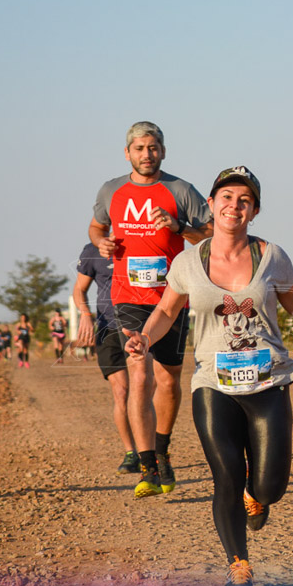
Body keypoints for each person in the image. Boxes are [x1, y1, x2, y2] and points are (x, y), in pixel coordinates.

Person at [124, 166, 293, 586]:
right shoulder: (186, 262)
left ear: (253, 211)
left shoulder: (272, 255)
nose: (234, 205)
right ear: (213, 205)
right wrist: (145, 338)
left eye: (244, 200)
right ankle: (239, 565)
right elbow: (165, 311)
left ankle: (258, 497)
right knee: (226, 476)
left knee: (270, 484)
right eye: (227, 197)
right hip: (212, 383)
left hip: (268, 381)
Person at [88, 121, 213, 498]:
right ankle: (147, 468)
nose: (147, 154)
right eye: (140, 148)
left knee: (168, 380)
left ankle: (162, 450)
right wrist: (102, 243)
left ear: (163, 150)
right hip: (127, 297)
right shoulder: (111, 190)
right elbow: (95, 228)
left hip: (172, 297)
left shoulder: (180, 190)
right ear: (127, 153)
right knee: (139, 377)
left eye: (154, 147)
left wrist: (180, 228)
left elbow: (210, 232)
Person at [73, 242, 140, 474]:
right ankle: (131, 453)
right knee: (121, 391)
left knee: (141, 389)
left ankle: (152, 450)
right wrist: (85, 314)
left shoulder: (139, 243)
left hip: (137, 326)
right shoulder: (93, 251)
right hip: (107, 330)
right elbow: (79, 289)